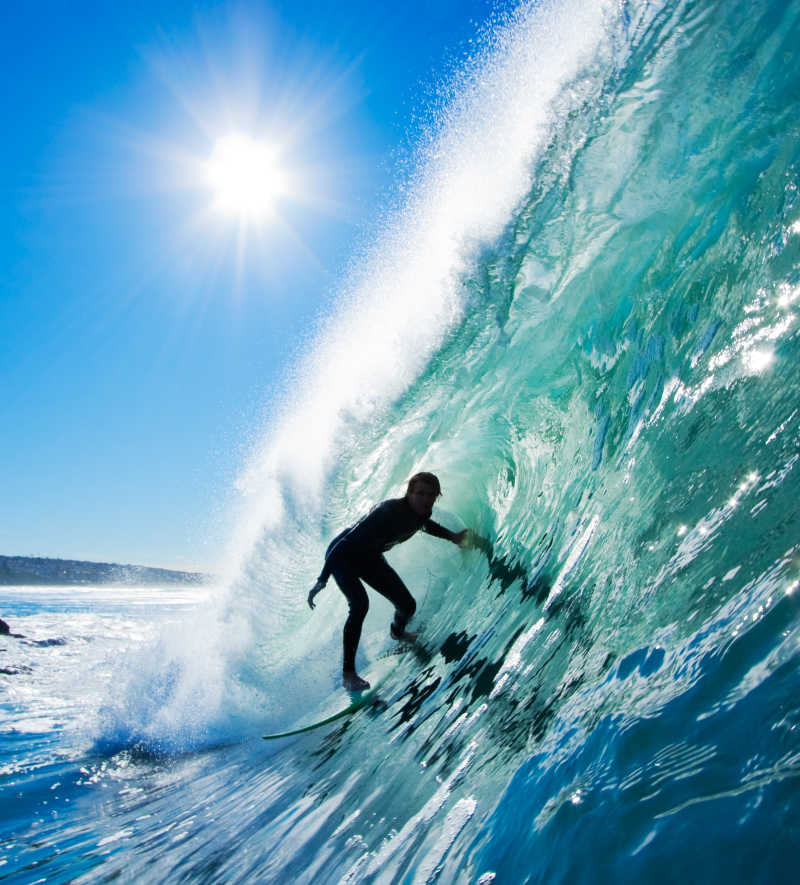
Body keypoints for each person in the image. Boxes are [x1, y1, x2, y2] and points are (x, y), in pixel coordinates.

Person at [308, 472, 468, 691]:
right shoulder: (387, 511)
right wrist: (322, 579)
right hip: (343, 556)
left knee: (407, 605)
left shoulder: (421, 512)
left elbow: (425, 525)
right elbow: (343, 543)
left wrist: (453, 537)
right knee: (360, 605)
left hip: (370, 557)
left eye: (431, 495)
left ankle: (398, 633)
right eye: (420, 493)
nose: (425, 499)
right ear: (409, 493)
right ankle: (348, 675)